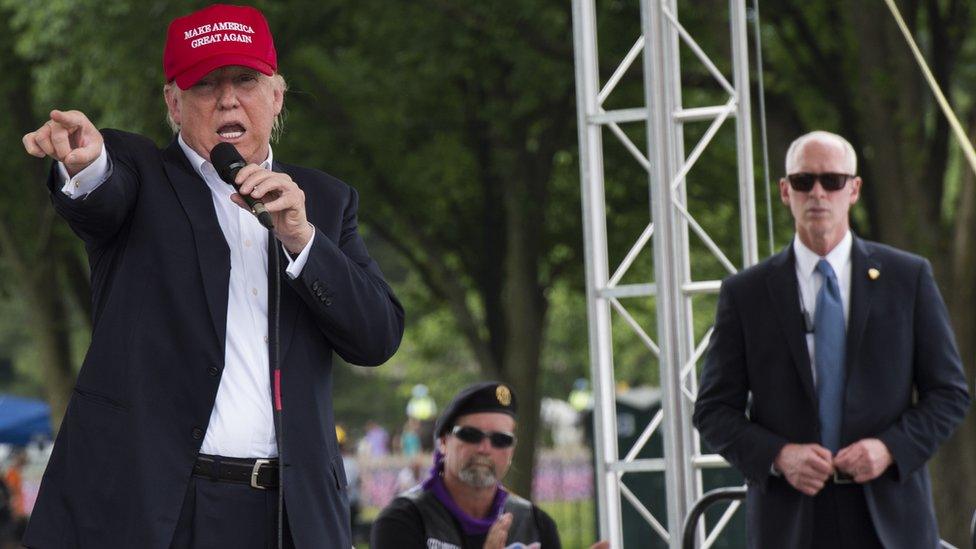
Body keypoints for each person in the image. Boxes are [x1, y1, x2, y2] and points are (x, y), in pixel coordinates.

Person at [20, 4, 404, 548]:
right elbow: (101, 193)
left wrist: (300, 236)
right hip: (160, 509)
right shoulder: (140, 172)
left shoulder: (324, 200)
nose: (228, 98)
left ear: (276, 96)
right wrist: (84, 165)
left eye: (246, 80)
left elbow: (377, 337)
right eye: (205, 83)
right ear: (174, 103)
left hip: (287, 516)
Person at [693, 131, 970, 548]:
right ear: (786, 192)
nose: (818, 193)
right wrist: (780, 456)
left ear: (854, 189)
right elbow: (713, 411)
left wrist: (889, 448)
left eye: (833, 181)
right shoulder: (746, 293)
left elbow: (949, 393)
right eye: (804, 182)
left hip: (890, 515)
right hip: (790, 519)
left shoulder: (906, 278)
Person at [370, 381, 560, 548]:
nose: (484, 448)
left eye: (501, 439)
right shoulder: (403, 521)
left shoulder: (536, 525)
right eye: (471, 435)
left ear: (512, 449)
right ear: (443, 442)